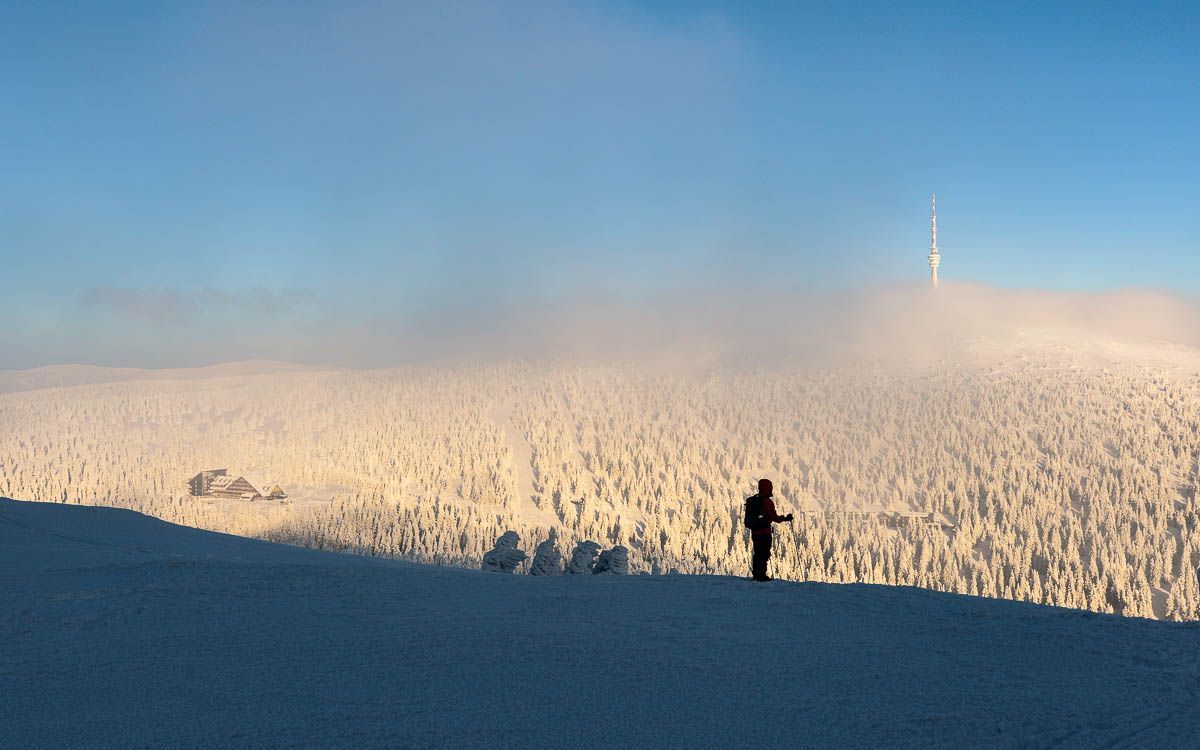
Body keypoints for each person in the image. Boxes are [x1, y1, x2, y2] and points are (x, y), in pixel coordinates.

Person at [746, 478, 793, 582]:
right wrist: (785, 518)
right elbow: (774, 517)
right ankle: (761, 576)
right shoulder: (767, 502)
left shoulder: (755, 500)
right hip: (764, 533)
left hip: (755, 532)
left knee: (758, 553)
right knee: (764, 553)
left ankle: (757, 574)